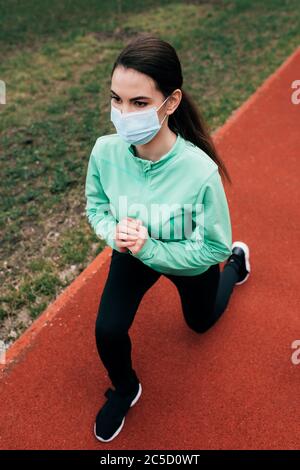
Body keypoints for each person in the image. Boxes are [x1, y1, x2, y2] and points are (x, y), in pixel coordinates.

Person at [84, 34, 251, 443]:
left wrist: (154, 249)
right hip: (132, 254)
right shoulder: (105, 152)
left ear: (170, 102)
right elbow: (97, 208)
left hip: (189, 257)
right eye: (116, 99)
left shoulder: (199, 171)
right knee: (107, 330)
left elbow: (210, 246)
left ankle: (237, 266)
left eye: (139, 103)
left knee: (200, 323)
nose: (123, 114)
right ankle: (126, 388)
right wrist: (115, 235)